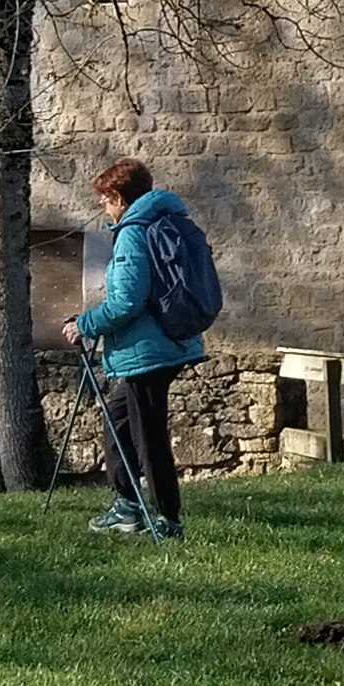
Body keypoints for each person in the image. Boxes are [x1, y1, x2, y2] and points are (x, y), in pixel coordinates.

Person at [64, 157, 213, 541]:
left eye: (105, 197)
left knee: (149, 437)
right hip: (169, 342)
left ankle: (167, 521)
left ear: (119, 196)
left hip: (148, 351)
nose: (102, 205)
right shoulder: (170, 221)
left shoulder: (133, 232)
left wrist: (83, 324)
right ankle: (127, 506)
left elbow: (127, 302)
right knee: (117, 420)